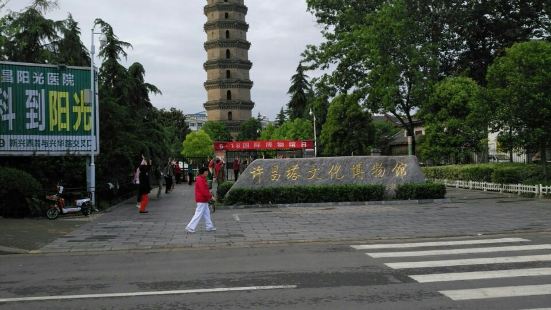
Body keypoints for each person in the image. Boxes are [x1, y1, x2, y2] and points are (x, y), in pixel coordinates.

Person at [185, 167, 216, 233]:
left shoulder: (202, 178)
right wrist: (211, 196)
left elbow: (205, 189)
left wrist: (209, 195)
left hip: (203, 199)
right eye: (206, 172)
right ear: (203, 172)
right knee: (198, 214)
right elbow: (203, 191)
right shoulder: (200, 179)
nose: (207, 173)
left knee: (207, 213)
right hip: (201, 199)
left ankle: (209, 226)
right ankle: (190, 227)